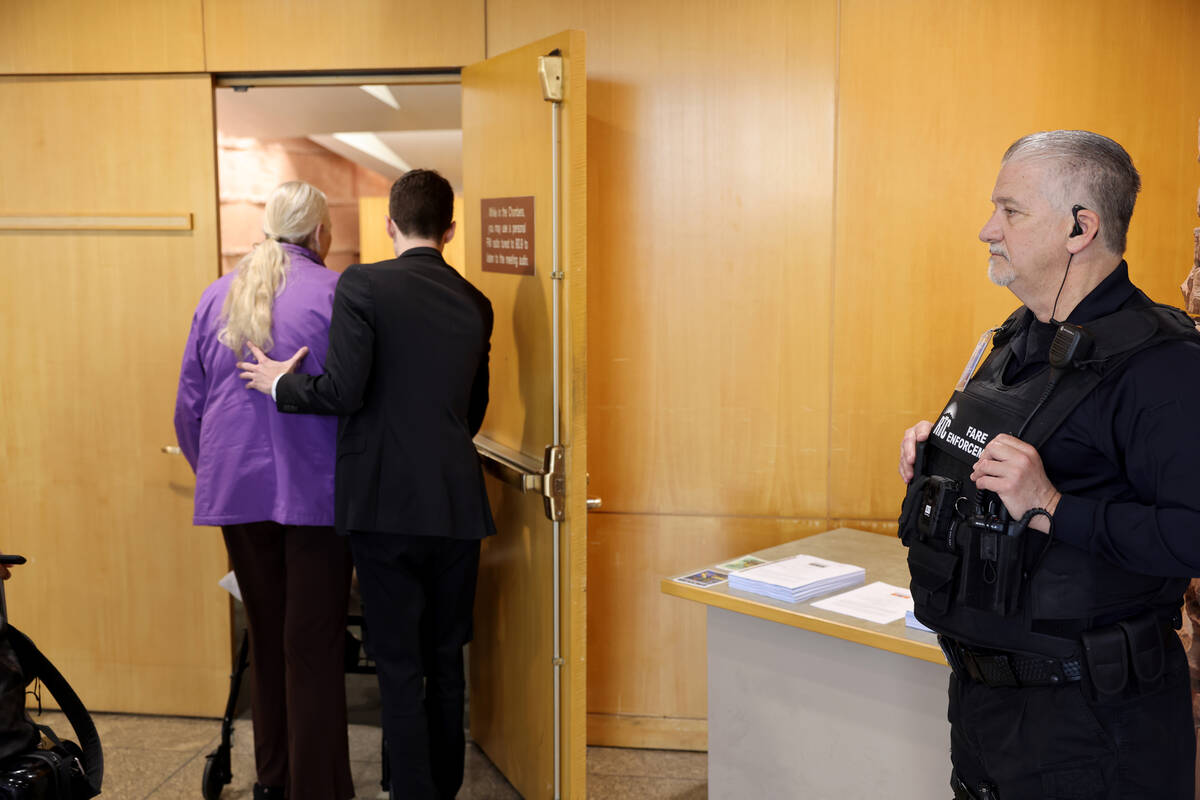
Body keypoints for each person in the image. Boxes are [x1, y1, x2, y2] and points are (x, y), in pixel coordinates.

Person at [897, 130, 1200, 799]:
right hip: (984, 708)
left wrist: (1054, 507)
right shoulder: (1016, 339)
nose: (988, 230)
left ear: (1080, 229)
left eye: (1011, 211)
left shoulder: (1165, 368)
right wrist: (940, 455)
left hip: (1096, 727)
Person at [237, 168, 495, 800]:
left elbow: (344, 391)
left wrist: (281, 383)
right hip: (456, 505)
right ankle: (444, 788)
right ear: (450, 230)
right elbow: (473, 411)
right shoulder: (475, 302)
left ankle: (410, 790)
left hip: (383, 507)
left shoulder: (364, 284)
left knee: (399, 664)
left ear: (389, 224)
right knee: (446, 658)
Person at [174, 181, 354, 800]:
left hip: (238, 496)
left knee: (268, 638)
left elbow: (189, 408)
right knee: (314, 646)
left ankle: (273, 781)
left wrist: (218, 476)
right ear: (320, 233)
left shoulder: (217, 295)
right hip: (318, 498)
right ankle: (318, 790)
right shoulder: (336, 294)